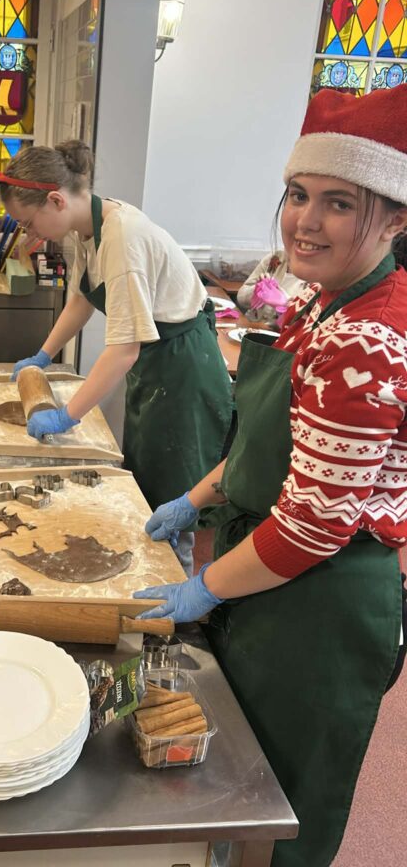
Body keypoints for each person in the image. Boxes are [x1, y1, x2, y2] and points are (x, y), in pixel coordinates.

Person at [136, 85, 407, 867]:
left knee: (278, 801)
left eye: (339, 203)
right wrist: (195, 499)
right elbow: (270, 443)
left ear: (394, 219)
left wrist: (204, 587)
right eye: (297, 194)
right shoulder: (321, 305)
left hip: (320, 602)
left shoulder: (366, 340)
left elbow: (315, 526)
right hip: (271, 569)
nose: (305, 221)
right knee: (238, 770)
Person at [0, 140, 234, 577]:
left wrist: (67, 415)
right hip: (158, 367)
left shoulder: (123, 237)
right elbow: (82, 300)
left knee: (173, 500)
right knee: (146, 485)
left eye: (29, 223)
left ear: (56, 200)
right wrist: (43, 355)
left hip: (183, 372)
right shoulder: (88, 229)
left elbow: (124, 349)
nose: (31, 234)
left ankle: (176, 586)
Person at [236, 249, 306, 323]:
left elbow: (304, 323)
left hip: (282, 330)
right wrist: (257, 290)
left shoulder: (314, 280)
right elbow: (241, 298)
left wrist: (285, 302)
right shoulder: (276, 257)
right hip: (250, 324)